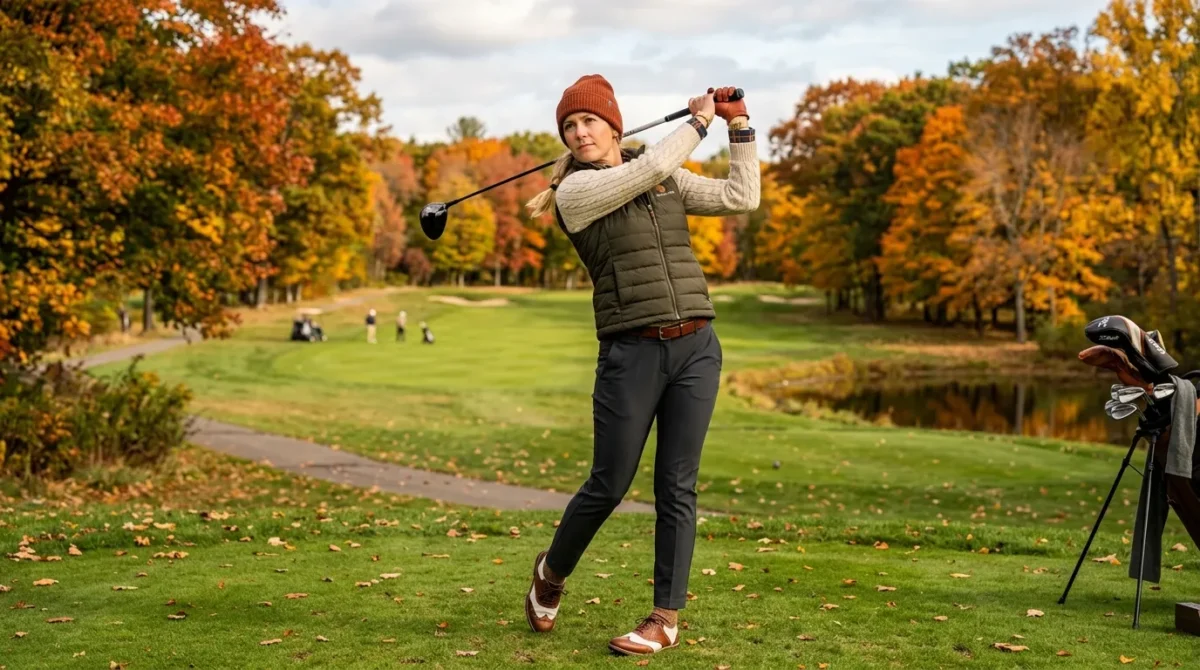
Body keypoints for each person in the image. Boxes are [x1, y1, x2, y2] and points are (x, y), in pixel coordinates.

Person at [521, 75, 760, 656]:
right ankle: (551, 573)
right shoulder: (576, 193)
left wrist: (738, 125)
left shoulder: (665, 176)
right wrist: (698, 122)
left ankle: (664, 618)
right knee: (609, 483)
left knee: (677, 486)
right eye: (569, 126)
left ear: (614, 125)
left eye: (589, 121)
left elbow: (740, 197)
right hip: (632, 352)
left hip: (697, 346)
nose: (580, 133)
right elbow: (648, 168)